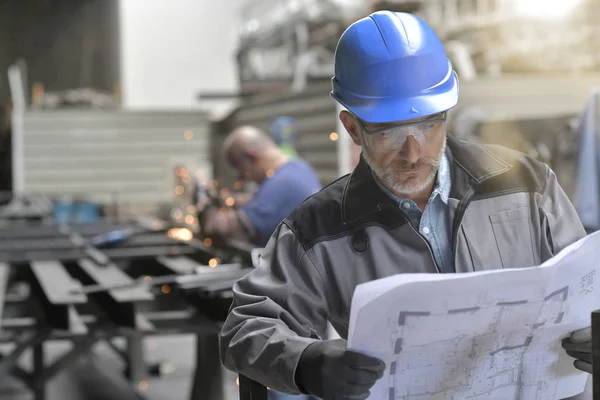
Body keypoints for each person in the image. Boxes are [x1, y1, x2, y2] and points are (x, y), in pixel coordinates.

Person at [219, 11, 591, 400]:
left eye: (430, 124)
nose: (413, 153)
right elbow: (244, 326)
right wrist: (304, 361)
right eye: (390, 130)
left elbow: (589, 286)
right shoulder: (318, 228)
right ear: (352, 128)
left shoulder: (527, 185)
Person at [202, 126, 322, 249]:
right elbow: (263, 199)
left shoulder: (281, 184)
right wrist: (230, 200)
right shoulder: (298, 167)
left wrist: (209, 212)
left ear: (251, 157)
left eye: (240, 169)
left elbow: (233, 229)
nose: (241, 178)